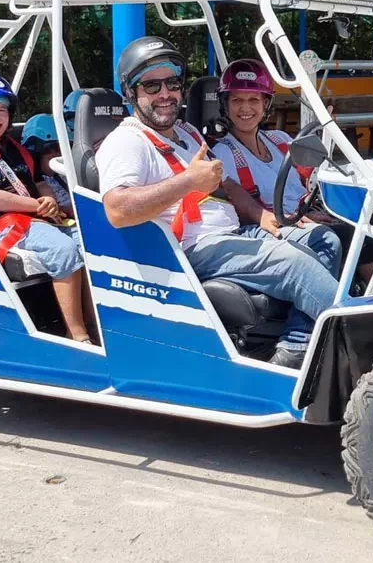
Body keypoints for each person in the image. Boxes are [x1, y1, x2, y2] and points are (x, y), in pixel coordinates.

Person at [95, 37, 340, 369]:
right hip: (193, 246)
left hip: (234, 233)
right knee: (292, 263)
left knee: (324, 240)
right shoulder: (127, 141)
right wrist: (188, 181)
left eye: (172, 84)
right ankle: (366, 340)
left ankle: (298, 344)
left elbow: (224, 182)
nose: (165, 94)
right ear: (131, 92)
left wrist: (261, 215)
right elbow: (117, 209)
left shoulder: (187, 133)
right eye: (152, 86)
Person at [0, 73, 93, 344]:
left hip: (34, 219)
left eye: (0, 111)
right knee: (63, 249)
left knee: (91, 241)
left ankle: (94, 323)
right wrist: (38, 206)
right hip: (0, 227)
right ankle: (78, 334)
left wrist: (49, 199)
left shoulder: (13, 147)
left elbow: (38, 180)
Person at [213, 58, 373, 289]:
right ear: (225, 105)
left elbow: (313, 176)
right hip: (274, 224)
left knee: (371, 226)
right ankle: (326, 311)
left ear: (266, 105)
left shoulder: (279, 140)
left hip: (307, 213)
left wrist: (327, 135)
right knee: (343, 237)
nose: (245, 108)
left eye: (254, 100)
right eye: (237, 100)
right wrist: (292, 218)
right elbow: (237, 199)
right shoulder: (223, 152)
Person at [22, 113, 73, 218]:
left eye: (62, 148)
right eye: (53, 149)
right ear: (36, 153)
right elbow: (47, 207)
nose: (59, 154)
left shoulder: (68, 171)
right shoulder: (36, 183)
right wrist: (67, 211)